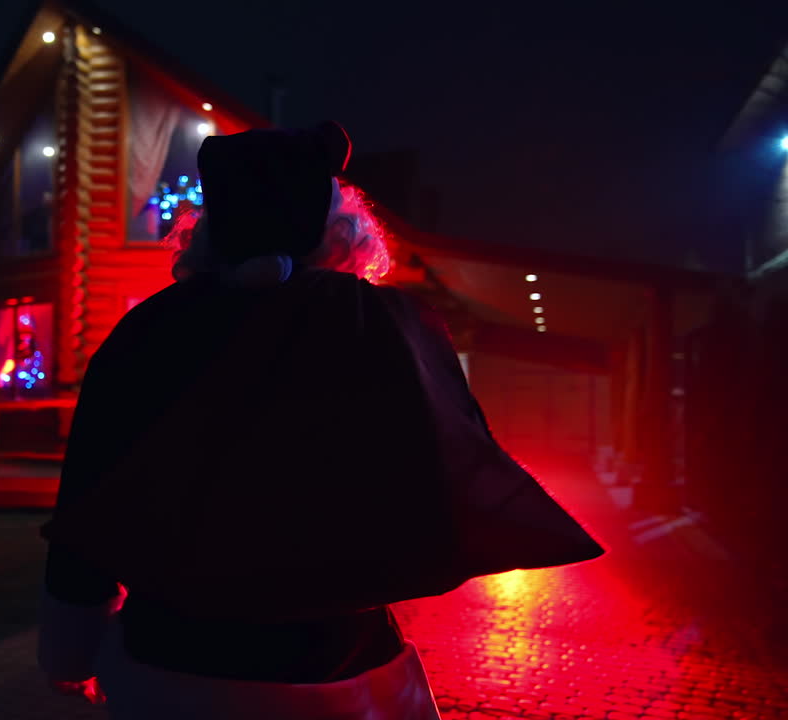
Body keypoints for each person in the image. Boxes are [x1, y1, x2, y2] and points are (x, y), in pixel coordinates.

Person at [36, 122, 602, 719]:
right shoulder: (390, 326)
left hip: (172, 666)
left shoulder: (148, 333)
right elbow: (440, 472)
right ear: (338, 226)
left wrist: (69, 652)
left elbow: (89, 503)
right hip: (351, 669)